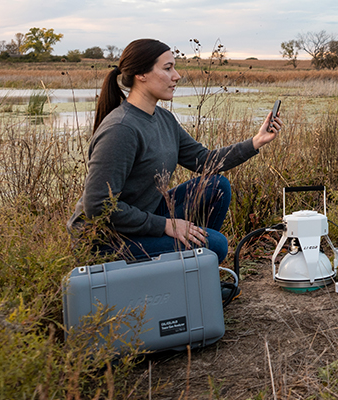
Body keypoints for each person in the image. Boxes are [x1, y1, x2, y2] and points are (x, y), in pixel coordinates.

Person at [67, 38, 282, 264]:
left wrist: (256, 141)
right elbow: (97, 207)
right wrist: (166, 225)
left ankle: (192, 269)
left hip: (142, 215)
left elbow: (205, 161)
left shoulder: (163, 118)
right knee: (215, 244)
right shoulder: (121, 130)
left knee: (217, 186)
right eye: (168, 68)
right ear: (141, 74)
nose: (177, 75)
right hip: (105, 239)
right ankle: (196, 264)